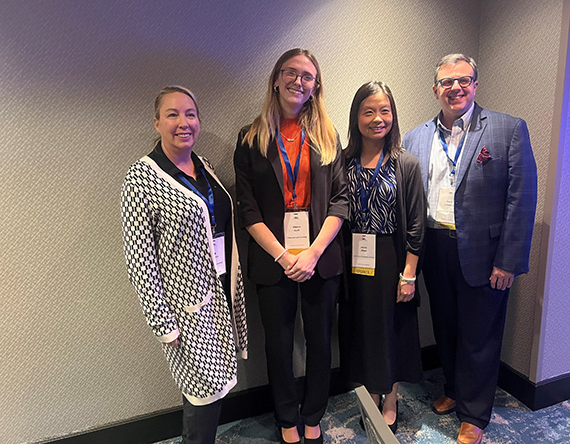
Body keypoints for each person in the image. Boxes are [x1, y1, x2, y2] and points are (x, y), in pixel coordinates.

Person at [403, 54, 537, 444]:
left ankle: (474, 414)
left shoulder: (507, 129)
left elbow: (521, 199)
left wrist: (508, 261)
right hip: (435, 248)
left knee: (480, 334)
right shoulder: (415, 137)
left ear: (476, 85)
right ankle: (454, 387)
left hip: (484, 253)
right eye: (447, 82)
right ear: (435, 89)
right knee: (445, 326)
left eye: (464, 80)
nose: (455, 88)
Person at [121, 86, 248, 444]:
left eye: (190, 114)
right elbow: (139, 260)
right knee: (203, 392)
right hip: (186, 309)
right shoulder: (141, 179)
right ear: (157, 122)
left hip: (220, 294)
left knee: (213, 389)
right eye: (173, 115)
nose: (183, 123)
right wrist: (163, 323)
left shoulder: (204, 166)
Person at [233, 48, 348, 444]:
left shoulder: (328, 136)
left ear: (316, 87)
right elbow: (247, 209)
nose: (299, 81)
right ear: (276, 79)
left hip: (321, 258)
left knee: (319, 341)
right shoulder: (250, 138)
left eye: (308, 76)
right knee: (278, 345)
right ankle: (286, 416)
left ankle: (313, 412)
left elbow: (341, 200)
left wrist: (313, 252)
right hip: (272, 261)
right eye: (291, 73)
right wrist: (283, 256)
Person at [340, 81, 426, 433]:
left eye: (384, 111)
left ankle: (390, 395)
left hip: (391, 256)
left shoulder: (405, 163)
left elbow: (417, 224)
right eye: (369, 111)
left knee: (390, 330)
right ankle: (370, 392)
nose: (378, 119)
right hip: (352, 257)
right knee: (360, 327)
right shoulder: (342, 161)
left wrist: (409, 275)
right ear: (356, 116)